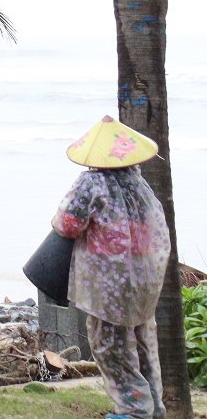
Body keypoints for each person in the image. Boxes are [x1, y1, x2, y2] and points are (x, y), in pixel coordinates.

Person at [50, 115, 172, 419]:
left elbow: (67, 224)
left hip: (108, 284)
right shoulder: (139, 182)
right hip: (144, 279)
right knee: (144, 342)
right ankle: (154, 406)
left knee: (111, 346)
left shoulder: (92, 183)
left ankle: (133, 410)